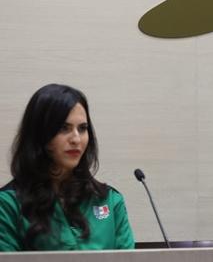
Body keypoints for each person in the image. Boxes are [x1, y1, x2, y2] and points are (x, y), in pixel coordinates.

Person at [0, 84, 135, 251]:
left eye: (82, 128)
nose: (76, 139)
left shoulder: (110, 200)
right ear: (39, 134)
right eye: (64, 128)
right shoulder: (7, 204)